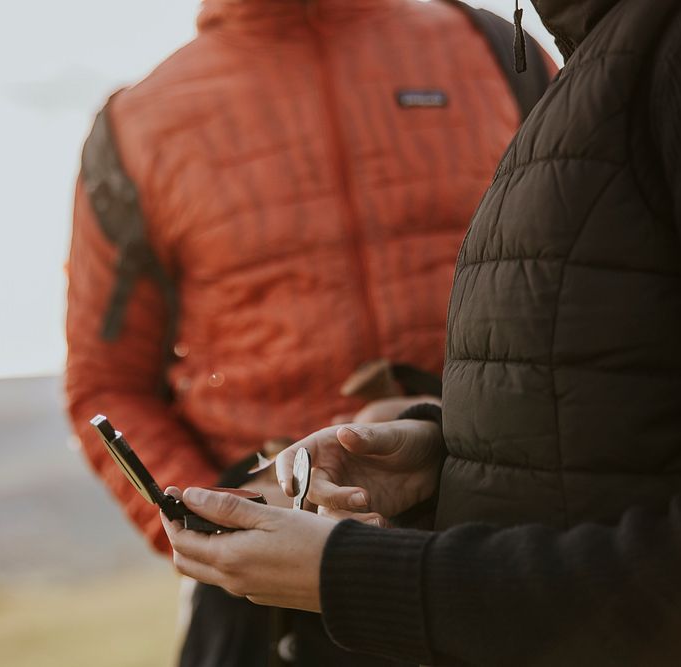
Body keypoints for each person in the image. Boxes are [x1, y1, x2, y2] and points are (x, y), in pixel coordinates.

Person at [161, 0, 681, 664]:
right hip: (340, 579)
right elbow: (622, 384)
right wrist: (444, 453)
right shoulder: (141, 116)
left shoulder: (508, 47)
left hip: (409, 592)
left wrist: (359, 574)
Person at [66, 0, 552, 665]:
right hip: (266, 605)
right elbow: (107, 379)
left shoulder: (495, 49)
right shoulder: (134, 127)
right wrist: (219, 518)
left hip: (505, 551)